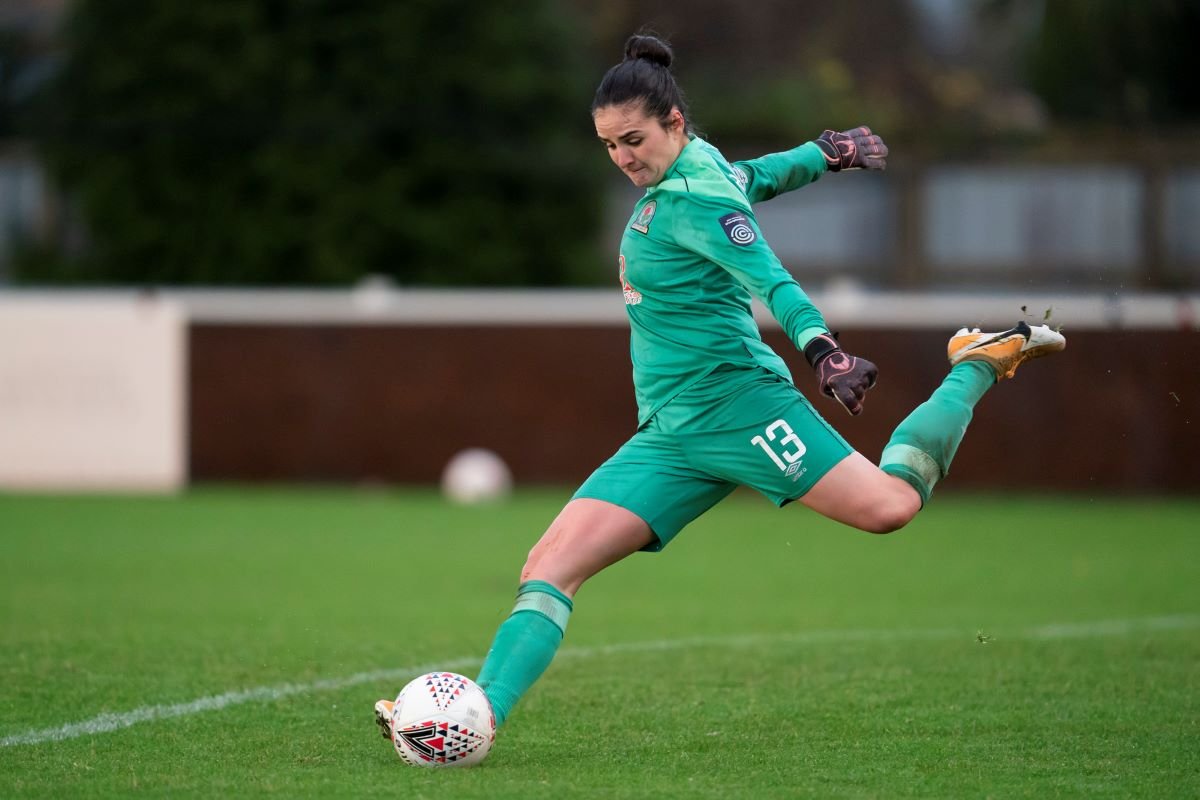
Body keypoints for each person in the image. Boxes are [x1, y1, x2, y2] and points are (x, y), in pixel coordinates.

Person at [375, 33, 1064, 748]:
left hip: (741, 409)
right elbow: (753, 174)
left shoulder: (698, 199)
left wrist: (824, 352)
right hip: (670, 433)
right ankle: (473, 719)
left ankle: (976, 362)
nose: (622, 159)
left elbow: (770, 277)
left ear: (674, 124)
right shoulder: (697, 170)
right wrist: (824, 154)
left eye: (633, 140)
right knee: (549, 566)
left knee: (890, 507)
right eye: (609, 145)